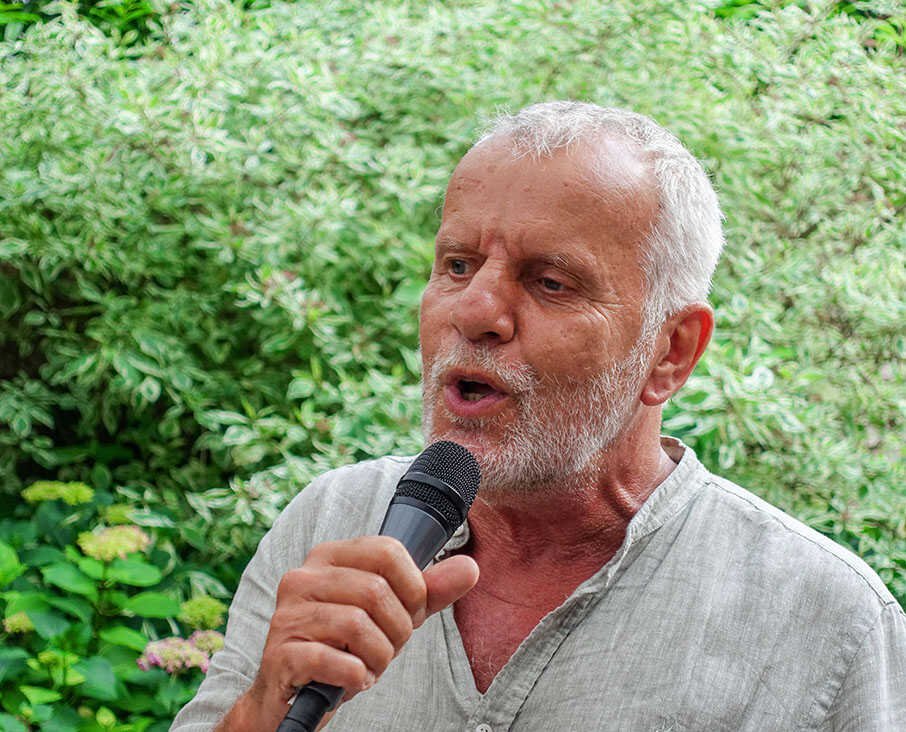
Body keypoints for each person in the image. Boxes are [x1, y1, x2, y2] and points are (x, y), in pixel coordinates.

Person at [172, 102, 905, 731]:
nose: (475, 311)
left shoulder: (827, 620)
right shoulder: (330, 520)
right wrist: (263, 709)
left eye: (550, 282)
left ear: (671, 352)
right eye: (458, 265)